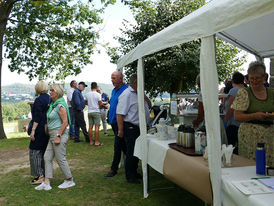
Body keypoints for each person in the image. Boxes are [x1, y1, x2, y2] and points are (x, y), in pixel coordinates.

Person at [232, 61, 274, 166]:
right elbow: (237, 116)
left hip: (270, 138)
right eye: (251, 78)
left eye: (257, 78)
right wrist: (255, 116)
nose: (254, 81)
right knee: (252, 167)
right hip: (250, 138)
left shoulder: (272, 92)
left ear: (264, 77)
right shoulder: (244, 93)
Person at [35, 84, 75, 190]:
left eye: (52, 90)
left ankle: (70, 180)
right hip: (52, 135)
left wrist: (58, 136)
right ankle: (46, 182)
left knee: (60, 158)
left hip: (59, 134)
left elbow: (65, 122)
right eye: (50, 90)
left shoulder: (60, 105)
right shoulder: (53, 104)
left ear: (57, 92)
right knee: (47, 157)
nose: (50, 92)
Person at [116, 74, 151, 184]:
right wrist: (120, 130)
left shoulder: (139, 94)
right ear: (135, 83)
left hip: (140, 127)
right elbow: (120, 114)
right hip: (131, 127)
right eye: (141, 82)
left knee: (137, 152)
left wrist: (144, 96)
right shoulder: (126, 95)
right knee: (131, 152)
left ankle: (134, 172)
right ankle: (130, 176)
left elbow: (149, 105)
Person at [104, 71, 128, 178]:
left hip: (121, 124)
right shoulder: (114, 91)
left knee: (118, 146)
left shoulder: (126, 90)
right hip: (114, 123)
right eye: (111, 78)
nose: (112, 80)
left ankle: (113, 169)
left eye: (114, 78)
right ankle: (131, 167)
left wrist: (121, 128)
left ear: (120, 79)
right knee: (124, 147)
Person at [192, 74, 227, 144]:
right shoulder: (212, 91)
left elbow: (201, 114)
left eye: (198, 84)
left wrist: (195, 123)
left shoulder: (202, 94)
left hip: (210, 124)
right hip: (217, 121)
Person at [29, 81, 50, 185]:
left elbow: (37, 117)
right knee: (45, 151)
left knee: (35, 151)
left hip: (40, 129)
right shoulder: (50, 98)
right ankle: (45, 173)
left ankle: (39, 175)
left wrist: (32, 131)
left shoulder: (38, 100)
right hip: (49, 129)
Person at [224, 71, 245, 154]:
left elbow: (231, 107)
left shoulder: (233, 91)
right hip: (242, 124)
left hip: (233, 124)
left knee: (231, 148)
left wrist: (225, 120)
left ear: (233, 81)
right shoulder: (245, 90)